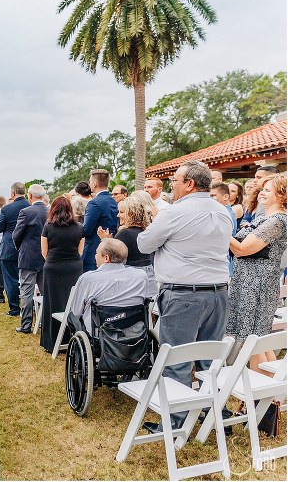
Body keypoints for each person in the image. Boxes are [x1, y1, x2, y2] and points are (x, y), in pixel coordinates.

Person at [137, 160, 232, 433]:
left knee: (177, 358)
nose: (171, 185)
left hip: (183, 294)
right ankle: (216, 415)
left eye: (175, 181)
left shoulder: (175, 213)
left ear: (189, 183)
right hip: (218, 293)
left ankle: (176, 423)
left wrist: (156, 224)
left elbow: (145, 244)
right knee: (210, 358)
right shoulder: (222, 210)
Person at [227, 174, 287, 375]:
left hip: (257, 286)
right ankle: (272, 399)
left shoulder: (277, 221)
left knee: (252, 342)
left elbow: (243, 248)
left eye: (268, 190)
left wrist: (220, 230)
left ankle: (260, 400)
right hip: (247, 282)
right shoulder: (263, 218)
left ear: (281, 195)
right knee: (259, 340)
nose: (262, 192)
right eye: (262, 189)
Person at [67, 239, 150, 335]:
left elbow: (76, 311)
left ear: (106, 258)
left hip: (100, 333)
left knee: (72, 316)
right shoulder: (141, 276)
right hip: (134, 330)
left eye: (97, 253)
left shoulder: (88, 279)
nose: (95, 256)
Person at [40, 196, 84, 353]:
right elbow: (80, 252)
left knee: (52, 303)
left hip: (53, 268)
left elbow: (44, 252)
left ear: (53, 209)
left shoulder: (48, 227)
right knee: (72, 303)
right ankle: (72, 338)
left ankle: (52, 342)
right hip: (74, 268)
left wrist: (55, 261)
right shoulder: (79, 227)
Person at [97, 196, 157, 294]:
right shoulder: (146, 231)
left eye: (121, 212)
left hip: (131, 280)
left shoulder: (125, 234)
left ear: (130, 213)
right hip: (149, 277)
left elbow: (112, 256)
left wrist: (106, 241)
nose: (117, 215)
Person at [11, 184, 48, 334]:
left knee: (27, 291)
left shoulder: (26, 212)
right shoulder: (50, 211)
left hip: (28, 257)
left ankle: (26, 325)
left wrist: (21, 248)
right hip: (46, 256)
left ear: (30, 196)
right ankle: (45, 323)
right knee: (46, 292)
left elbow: (16, 235)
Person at [0, 182, 30, 317]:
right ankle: (29, 308)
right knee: (28, 279)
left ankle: (15, 309)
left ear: (13, 193)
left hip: (9, 248)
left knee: (10, 279)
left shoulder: (7, 209)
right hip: (27, 248)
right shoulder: (30, 206)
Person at [82, 169, 118, 272]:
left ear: (94, 184)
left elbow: (86, 230)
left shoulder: (94, 203)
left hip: (94, 251)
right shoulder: (113, 200)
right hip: (111, 248)